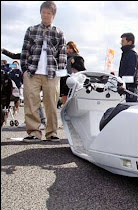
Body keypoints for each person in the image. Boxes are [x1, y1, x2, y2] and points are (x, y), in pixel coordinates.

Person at [20, 1, 67, 142]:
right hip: (32, 73)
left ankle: (52, 132)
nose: (46, 15)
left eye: (49, 13)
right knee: (31, 103)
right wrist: (24, 69)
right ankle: (34, 132)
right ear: (40, 13)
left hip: (51, 74)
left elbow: (62, 54)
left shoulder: (59, 33)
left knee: (51, 103)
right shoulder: (31, 30)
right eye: (44, 12)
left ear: (53, 15)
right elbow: (25, 50)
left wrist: (60, 73)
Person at [1, 48, 47, 129]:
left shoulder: (39, 53)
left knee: (35, 100)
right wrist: (3, 50)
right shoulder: (26, 54)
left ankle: (42, 121)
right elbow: (13, 56)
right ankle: (28, 121)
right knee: (27, 102)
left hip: (36, 78)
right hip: (28, 79)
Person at [118, 32, 138, 102]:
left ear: (129, 42)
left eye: (123, 41)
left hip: (129, 89)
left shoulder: (132, 54)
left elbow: (131, 72)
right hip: (126, 88)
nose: (121, 43)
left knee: (128, 109)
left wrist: (123, 84)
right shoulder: (126, 54)